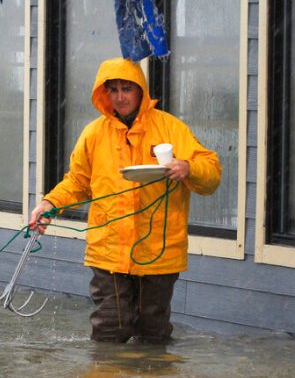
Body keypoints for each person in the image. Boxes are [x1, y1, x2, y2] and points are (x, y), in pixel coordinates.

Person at [29, 57, 221, 343]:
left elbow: (212, 174)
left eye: (126, 89)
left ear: (140, 91)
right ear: (104, 94)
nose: (120, 97)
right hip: (108, 251)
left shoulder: (170, 128)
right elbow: (78, 182)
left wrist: (188, 168)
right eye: (114, 89)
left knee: (153, 331)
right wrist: (48, 204)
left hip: (159, 252)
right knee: (110, 326)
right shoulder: (93, 134)